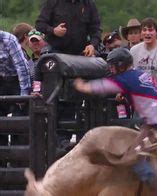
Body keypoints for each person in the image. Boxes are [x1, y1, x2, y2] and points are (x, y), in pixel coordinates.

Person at [73, 47, 157, 194]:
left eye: (113, 65)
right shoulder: (140, 74)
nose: (111, 68)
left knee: (134, 159)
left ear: (121, 65)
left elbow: (103, 86)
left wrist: (83, 86)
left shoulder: (124, 79)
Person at [0, 30, 31, 160]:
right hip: (1, 80)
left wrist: (23, 95)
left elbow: (22, 67)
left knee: (19, 121)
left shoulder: (9, 40)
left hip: (16, 80)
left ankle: (18, 160)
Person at [35, 0, 102, 56]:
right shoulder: (52, 2)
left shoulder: (88, 4)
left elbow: (96, 29)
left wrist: (92, 45)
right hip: (56, 52)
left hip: (81, 54)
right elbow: (40, 24)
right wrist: (53, 30)